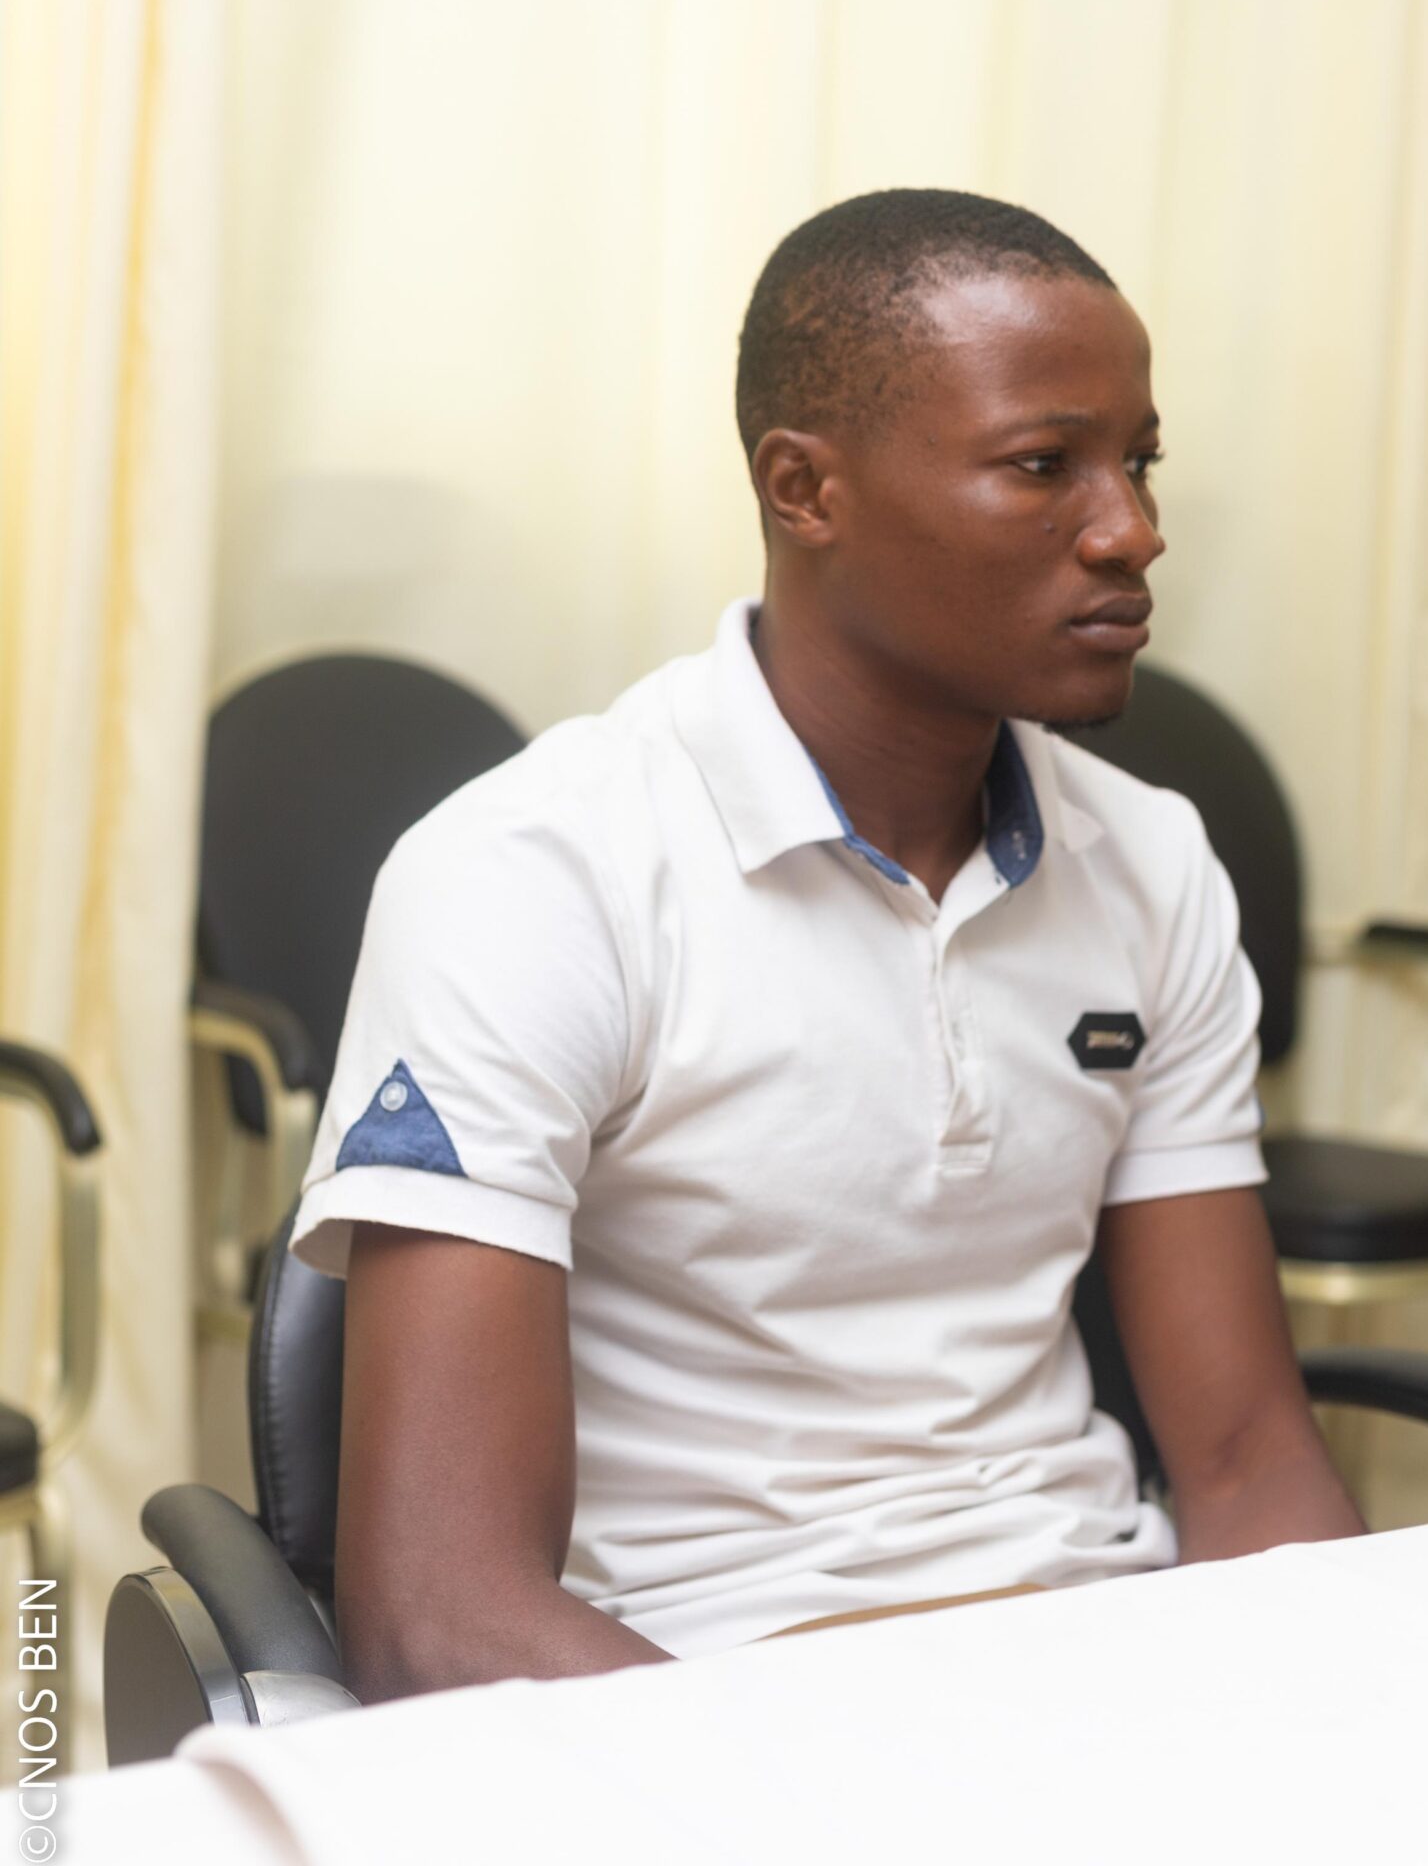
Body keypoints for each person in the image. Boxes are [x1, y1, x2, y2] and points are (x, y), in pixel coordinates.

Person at [293, 188, 1362, 1702]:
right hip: (700, 1688)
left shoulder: (1150, 862)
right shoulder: (537, 874)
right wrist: (843, 1787)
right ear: (804, 489)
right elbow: (441, 1615)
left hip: (1095, 1654)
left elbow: (1249, 1464)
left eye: (1139, 461)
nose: (1132, 529)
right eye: (1044, 465)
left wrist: (1343, 1718)